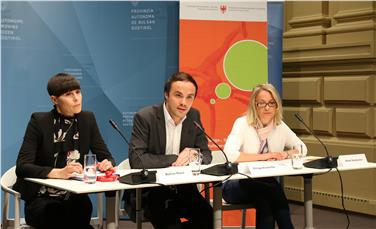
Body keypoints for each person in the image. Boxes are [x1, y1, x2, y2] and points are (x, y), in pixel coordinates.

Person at [13, 72, 115, 229]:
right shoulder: (39, 122)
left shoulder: (87, 119)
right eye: (69, 94)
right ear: (54, 100)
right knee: (57, 213)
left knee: (81, 207)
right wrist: (57, 172)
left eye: (78, 92)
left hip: (74, 197)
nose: (76, 98)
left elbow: (106, 156)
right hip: (42, 200)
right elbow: (22, 166)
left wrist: (107, 163)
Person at [125, 72, 213, 229]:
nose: (184, 103)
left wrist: (194, 155)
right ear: (166, 95)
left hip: (184, 189)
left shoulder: (194, 116)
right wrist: (176, 158)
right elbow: (137, 160)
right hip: (152, 191)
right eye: (178, 95)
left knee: (208, 217)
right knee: (171, 224)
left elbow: (207, 155)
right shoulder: (145, 117)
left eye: (189, 97)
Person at [222, 83, 307, 229]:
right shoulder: (242, 124)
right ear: (254, 105)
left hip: (263, 187)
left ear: (277, 106)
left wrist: (285, 154)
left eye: (271, 103)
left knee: (265, 200)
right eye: (262, 103)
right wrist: (266, 156)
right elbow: (230, 155)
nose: (267, 108)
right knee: (271, 190)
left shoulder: (279, 126)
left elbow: (302, 148)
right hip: (236, 185)